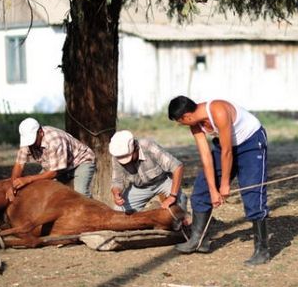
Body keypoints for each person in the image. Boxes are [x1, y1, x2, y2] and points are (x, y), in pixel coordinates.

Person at [168, 96, 270, 265]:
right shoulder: (195, 125)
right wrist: (213, 190)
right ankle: (198, 240)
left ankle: (262, 250)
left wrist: (224, 185)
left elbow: (227, 153)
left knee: (252, 194)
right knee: (201, 191)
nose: (181, 124)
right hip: (225, 147)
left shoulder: (218, 111)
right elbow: (206, 158)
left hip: (251, 143)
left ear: (186, 116)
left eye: (180, 121)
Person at [9, 118, 96, 200]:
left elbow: (54, 172)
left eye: (33, 140)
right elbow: (19, 165)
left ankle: (95, 213)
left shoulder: (55, 141)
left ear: (40, 132)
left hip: (80, 161)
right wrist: (13, 186)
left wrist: (28, 179)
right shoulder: (27, 143)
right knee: (36, 190)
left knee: (81, 194)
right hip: (56, 167)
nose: (31, 145)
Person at [108, 130, 188, 219]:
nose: (126, 162)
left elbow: (177, 167)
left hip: (162, 182)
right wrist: (116, 193)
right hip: (139, 187)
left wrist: (172, 196)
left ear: (135, 147)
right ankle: (153, 209)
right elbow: (117, 180)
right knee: (119, 212)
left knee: (180, 201)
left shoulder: (148, 146)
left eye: (128, 157)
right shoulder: (117, 156)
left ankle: (184, 222)